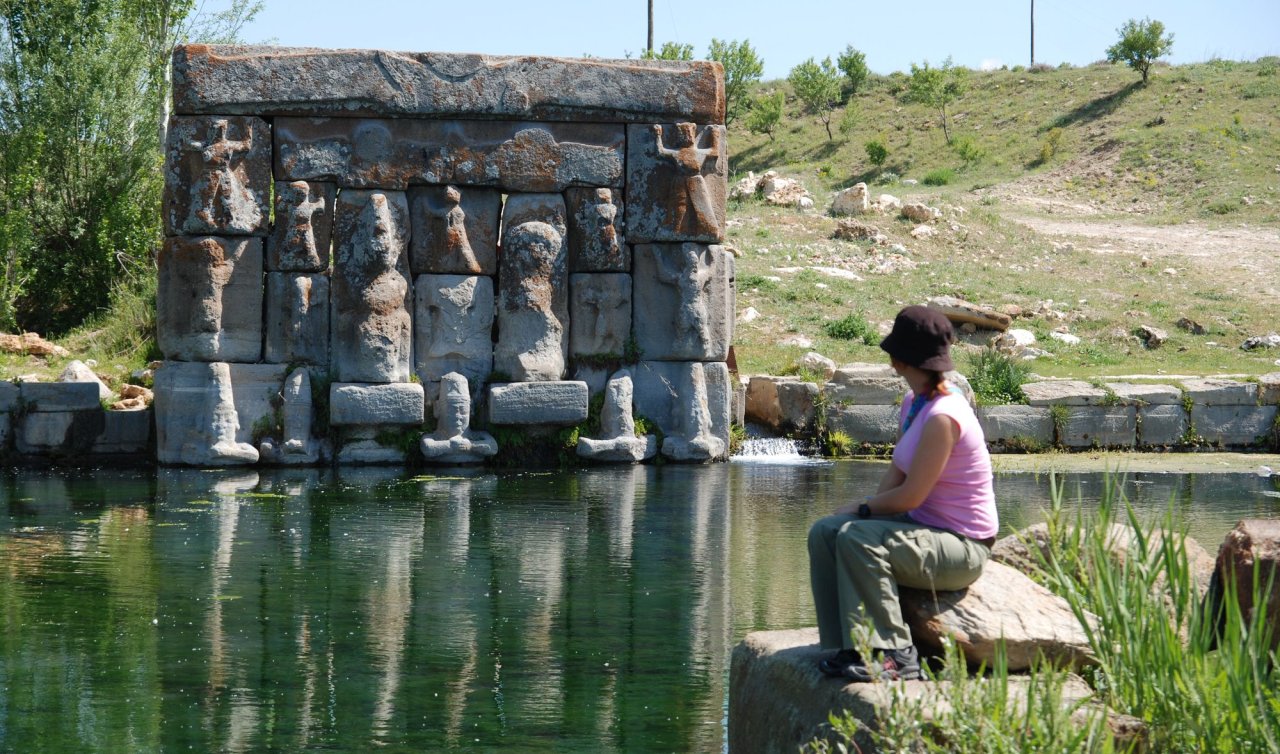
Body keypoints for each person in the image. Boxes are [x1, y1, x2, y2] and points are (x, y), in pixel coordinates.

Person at [807, 305, 998, 681]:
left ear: (900, 359)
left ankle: (897, 653)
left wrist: (861, 510)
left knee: (858, 539)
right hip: (925, 528)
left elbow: (911, 496)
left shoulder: (944, 416)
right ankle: (852, 644)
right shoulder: (916, 404)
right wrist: (856, 514)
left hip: (963, 546)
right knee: (826, 531)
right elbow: (896, 475)